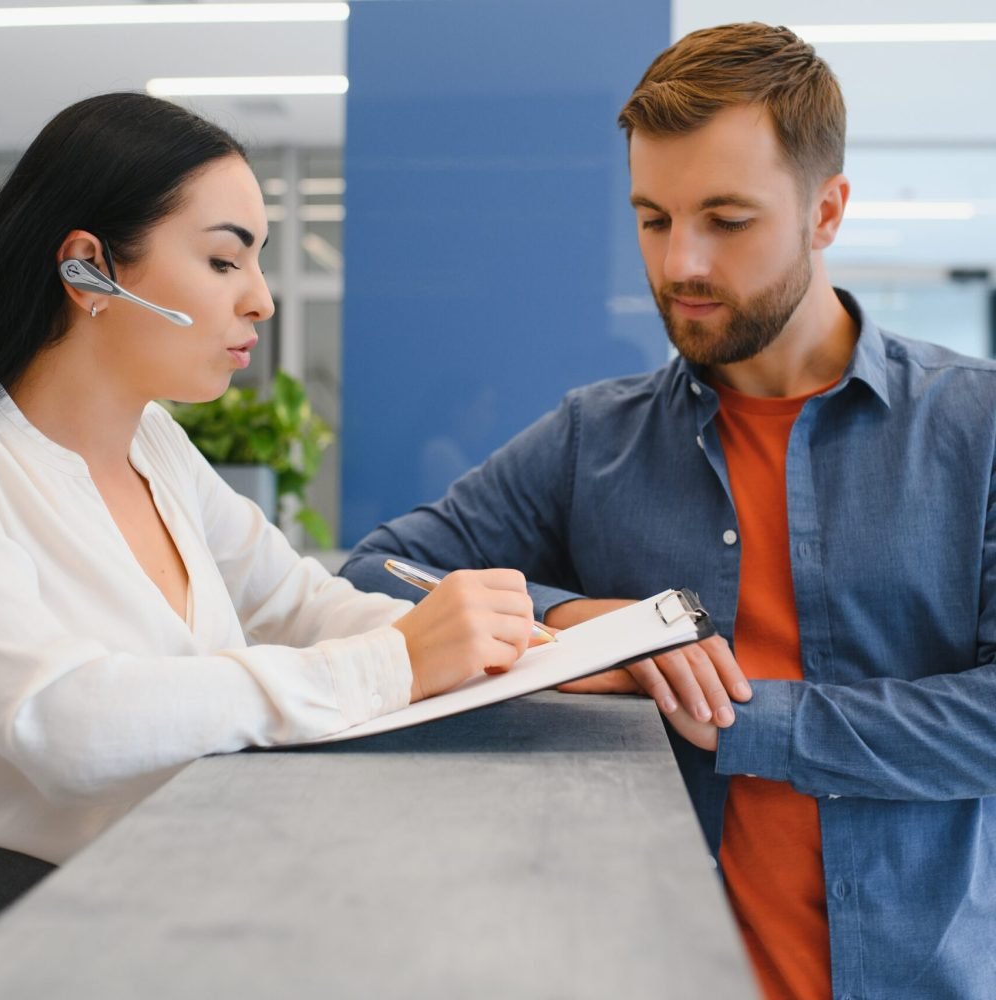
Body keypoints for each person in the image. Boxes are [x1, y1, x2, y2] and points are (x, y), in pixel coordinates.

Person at [340, 22, 996, 1000]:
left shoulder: (972, 426)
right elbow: (378, 571)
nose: (681, 262)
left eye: (726, 220)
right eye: (653, 218)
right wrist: (577, 620)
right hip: (646, 965)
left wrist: (743, 718)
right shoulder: (591, 438)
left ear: (827, 212)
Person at [0, 92, 541, 907]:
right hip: (51, 927)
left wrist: (507, 646)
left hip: (200, 888)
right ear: (89, 268)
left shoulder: (156, 446)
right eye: (224, 261)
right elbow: (63, 722)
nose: (262, 299)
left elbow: (297, 602)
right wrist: (395, 662)